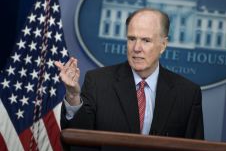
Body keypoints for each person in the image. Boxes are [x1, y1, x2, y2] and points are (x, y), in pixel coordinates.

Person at [55, 8, 204, 139]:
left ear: (163, 45)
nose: (136, 48)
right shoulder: (98, 82)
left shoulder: (188, 94)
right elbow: (79, 136)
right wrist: (73, 96)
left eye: (146, 40)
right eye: (132, 39)